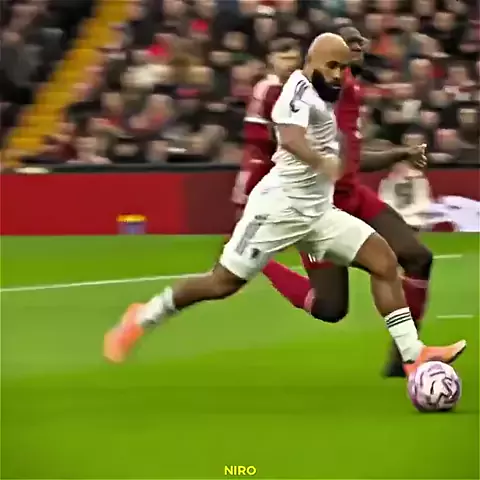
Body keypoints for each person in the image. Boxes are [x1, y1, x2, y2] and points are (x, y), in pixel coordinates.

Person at [103, 33, 466, 376]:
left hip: (318, 213)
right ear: (311, 62)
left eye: (342, 68)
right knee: (221, 283)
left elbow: (343, 127)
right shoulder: (297, 91)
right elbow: (290, 138)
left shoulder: (329, 90)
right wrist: (320, 161)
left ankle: (412, 356)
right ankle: (143, 317)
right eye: (332, 66)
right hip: (279, 210)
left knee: (384, 261)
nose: (337, 75)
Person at [261, 26, 438, 377]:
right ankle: (262, 260)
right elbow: (285, 137)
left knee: (418, 257)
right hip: (318, 209)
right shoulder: (308, 93)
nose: (357, 45)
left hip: (352, 197)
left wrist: (399, 153)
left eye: (359, 41)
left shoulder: (352, 91)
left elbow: (353, 160)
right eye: (348, 41)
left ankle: (406, 357)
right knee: (330, 308)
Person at [231, 36, 301, 221]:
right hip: (262, 158)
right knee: (248, 209)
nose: (290, 64)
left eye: (293, 59)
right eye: (284, 59)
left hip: (283, 158)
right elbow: (274, 132)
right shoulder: (270, 88)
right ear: (271, 59)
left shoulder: (295, 87)